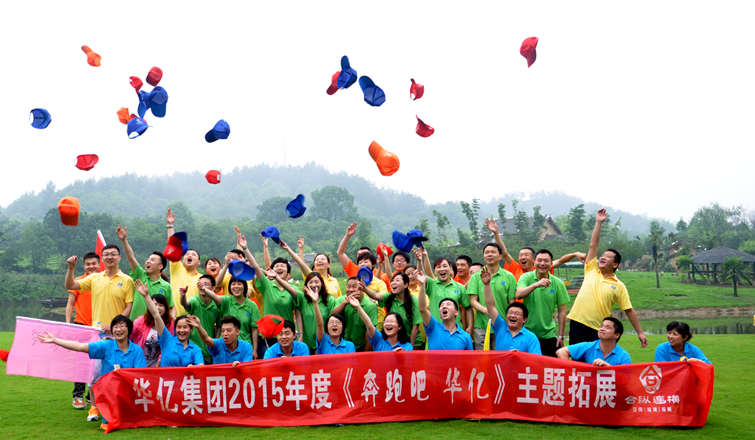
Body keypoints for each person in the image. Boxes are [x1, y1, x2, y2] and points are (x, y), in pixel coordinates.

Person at [37, 314, 146, 431]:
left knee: (130, 420)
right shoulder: (106, 346)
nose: (118, 329)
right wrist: (55, 340)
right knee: (109, 422)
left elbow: (140, 374)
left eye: (122, 326)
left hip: (128, 392)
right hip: (109, 392)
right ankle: (106, 413)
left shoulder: (136, 350)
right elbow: (80, 346)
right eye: (115, 327)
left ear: (129, 329)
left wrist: (121, 374)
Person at [64, 244, 134, 423]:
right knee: (95, 373)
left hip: (119, 334)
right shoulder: (94, 278)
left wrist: (116, 325)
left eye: (113, 254)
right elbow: (70, 285)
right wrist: (71, 268)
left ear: (119, 257)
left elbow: (129, 306)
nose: (110, 257)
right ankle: (94, 407)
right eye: (106, 254)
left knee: (118, 371)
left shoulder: (126, 280)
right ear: (102, 258)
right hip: (98, 334)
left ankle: (116, 405)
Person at [567, 209, 648, 348]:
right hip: (577, 323)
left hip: (598, 329)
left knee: (595, 359)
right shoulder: (592, 270)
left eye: (608, 256)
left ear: (615, 264)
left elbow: (628, 310)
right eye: (602, 255)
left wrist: (640, 333)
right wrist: (598, 222)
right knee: (576, 359)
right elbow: (593, 245)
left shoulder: (619, 285)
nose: (603, 257)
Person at [235, 229, 298, 358]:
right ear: (271, 271)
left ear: (288, 273)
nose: (279, 268)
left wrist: (300, 334)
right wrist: (245, 248)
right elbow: (256, 267)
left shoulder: (293, 290)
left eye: (283, 266)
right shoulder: (267, 285)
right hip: (270, 335)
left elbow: (298, 312)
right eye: (276, 266)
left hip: (288, 335)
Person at [485, 218, 586, 281]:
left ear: (533, 259)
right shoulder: (515, 268)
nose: (522, 257)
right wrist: (496, 233)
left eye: (526, 255)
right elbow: (504, 253)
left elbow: (560, 261)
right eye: (520, 255)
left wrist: (574, 254)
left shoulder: (540, 269)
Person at [515, 249, 570, 357]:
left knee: (550, 365)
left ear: (551, 263)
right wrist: (536, 285)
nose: (542, 263)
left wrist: (561, 336)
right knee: (526, 365)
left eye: (546, 261)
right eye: (539, 260)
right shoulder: (526, 277)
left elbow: (561, 311)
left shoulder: (558, 283)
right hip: (527, 332)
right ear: (534, 262)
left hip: (548, 335)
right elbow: (519, 294)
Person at [135, 280, 203, 367]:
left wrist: (194, 367)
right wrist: (146, 296)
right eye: (179, 327)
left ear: (191, 329)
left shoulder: (195, 349)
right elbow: (156, 315)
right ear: (175, 328)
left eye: (185, 327)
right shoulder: (167, 340)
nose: (182, 330)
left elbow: (201, 366)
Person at [116, 225, 175, 321]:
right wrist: (124, 240)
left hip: (155, 326)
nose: (147, 261)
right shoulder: (140, 275)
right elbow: (131, 257)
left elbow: (171, 306)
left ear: (160, 266)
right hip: (135, 325)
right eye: (148, 259)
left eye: (152, 260)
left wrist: (172, 321)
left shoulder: (166, 286)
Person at [65, 251, 99, 410]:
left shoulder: (103, 280)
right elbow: (70, 304)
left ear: (99, 264)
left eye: (94, 263)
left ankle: (91, 396)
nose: (91, 266)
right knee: (81, 361)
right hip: (81, 325)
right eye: (88, 264)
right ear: (84, 266)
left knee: (97, 362)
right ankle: (78, 395)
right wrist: (68, 324)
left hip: (99, 327)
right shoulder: (79, 281)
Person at [467, 242, 516, 350]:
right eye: (487, 252)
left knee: (500, 356)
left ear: (500, 256)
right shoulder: (476, 277)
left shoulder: (509, 276)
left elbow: (512, 302)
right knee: (482, 358)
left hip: (502, 325)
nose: (489, 254)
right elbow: (473, 301)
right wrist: (486, 311)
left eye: (493, 252)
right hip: (481, 326)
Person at [198, 273, 260, 357]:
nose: (236, 286)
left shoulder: (252, 306)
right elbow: (214, 297)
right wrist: (204, 289)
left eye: (239, 284)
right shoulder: (226, 301)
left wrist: (255, 350)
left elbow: (254, 329)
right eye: (233, 284)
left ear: (244, 286)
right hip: (224, 348)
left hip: (244, 348)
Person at [481, 268, 541, 354]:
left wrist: (519, 355)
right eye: (510, 313)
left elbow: (536, 358)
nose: (512, 315)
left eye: (517, 314)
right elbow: (491, 306)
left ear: (524, 319)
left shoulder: (531, 337)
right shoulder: (500, 327)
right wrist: (487, 285)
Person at [415, 250, 473, 337]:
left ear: (450, 269)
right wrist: (419, 261)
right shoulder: (432, 284)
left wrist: (470, 326)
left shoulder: (459, 287)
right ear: (435, 271)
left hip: (455, 331)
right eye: (438, 267)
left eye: (445, 266)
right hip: (435, 331)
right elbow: (421, 276)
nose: (442, 269)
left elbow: (468, 308)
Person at [360, 272, 422, 348]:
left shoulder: (414, 301)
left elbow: (415, 327)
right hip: (394, 341)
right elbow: (376, 295)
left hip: (412, 342)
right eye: (392, 281)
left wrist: (410, 348)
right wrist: (365, 289)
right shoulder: (389, 297)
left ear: (405, 285)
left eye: (397, 280)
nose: (393, 283)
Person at [416, 270, 473, 350]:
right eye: (441, 305)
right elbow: (422, 308)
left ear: (456, 312)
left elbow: (469, 357)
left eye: (448, 304)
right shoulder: (433, 328)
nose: (444, 307)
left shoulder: (465, 336)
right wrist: (422, 285)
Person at [166, 209, 202, 316]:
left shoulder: (202, 278)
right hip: (175, 317)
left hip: (194, 319)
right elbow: (173, 246)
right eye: (187, 254)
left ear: (199, 262)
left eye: (193, 255)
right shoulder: (177, 268)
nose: (189, 255)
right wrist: (170, 225)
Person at [556, 317, 632, 366]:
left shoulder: (624, 356)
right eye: (601, 326)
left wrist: (608, 368)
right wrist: (571, 372)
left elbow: (625, 379)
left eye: (607, 327)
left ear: (617, 335)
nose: (602, 329)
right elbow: (561, 352)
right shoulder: (588, 346)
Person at [180, 274, 220, 364]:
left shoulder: (217, 305)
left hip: (209, 350)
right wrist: (183, 295)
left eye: (205, 284)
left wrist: (215, 343)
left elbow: (219, 326)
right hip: (193, 350)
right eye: (200, 284)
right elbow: (185, 303)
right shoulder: (194, 300)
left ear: (213, 288)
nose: (202, 287)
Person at [302, 286, 355, 354]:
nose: (334, 324)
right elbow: (320, 324)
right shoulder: (323, 342)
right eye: (331, 322)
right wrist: (315, 302)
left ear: (343, 327)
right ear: (327, 327)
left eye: (338, 322)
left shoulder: (349, 345)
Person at [332, 277, 378, 352]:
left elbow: (370, 333)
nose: (350, 290)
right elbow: (332, 316)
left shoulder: (370, 306)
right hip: (343, 345)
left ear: (362, 290)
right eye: (348, 286)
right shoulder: (340, 300)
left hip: (362, 345)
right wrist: (345, 302)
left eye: (354, 286)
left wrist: (366, 354)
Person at [129, 291, 174, 367]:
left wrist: (158, 363)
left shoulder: (170, 323)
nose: (157, 308)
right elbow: (128, 336)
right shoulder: (140, 321)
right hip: (138, 362)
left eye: (161, 305)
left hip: (157, 364)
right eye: (154, 305)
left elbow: (167, 345)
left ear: (166, 308)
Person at [188, 315, 254, 366]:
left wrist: (240, 366)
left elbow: (247, 368)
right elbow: (206, 338)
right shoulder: (218, 344)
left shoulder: (246, 346)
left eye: (229, 330)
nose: (225, 334)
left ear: (238, 332)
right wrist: (199, 327)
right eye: (222, 331)